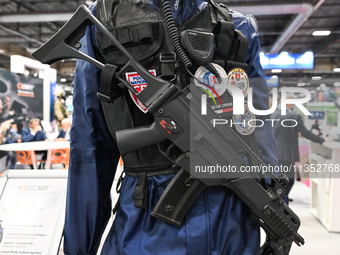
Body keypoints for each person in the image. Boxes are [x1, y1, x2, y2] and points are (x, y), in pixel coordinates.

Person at [64, 1, 279, 254]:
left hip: (231, 219)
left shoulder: (238, 27)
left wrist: (275, 205)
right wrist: (79, 247)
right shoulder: (101, 23)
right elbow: (90, 150)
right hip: (145, 223)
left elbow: (259, 132)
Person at [271, 100, 326, 198]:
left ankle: (278, 199)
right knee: (289, 180)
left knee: (276, 179)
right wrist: (322, 140)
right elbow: (306, 133)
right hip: (287, 154)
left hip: (273, 153)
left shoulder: (272, 115)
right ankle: (281, 200)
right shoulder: (294, 117)